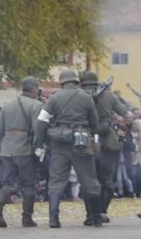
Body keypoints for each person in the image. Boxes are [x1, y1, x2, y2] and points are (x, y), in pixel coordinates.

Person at [35, 69, 102, 228]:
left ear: (62, 82)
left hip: (59, 143)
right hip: (81, 142)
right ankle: (96, 217)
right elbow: (95, 122)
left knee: (56, 181)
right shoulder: (86, 97)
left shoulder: (54, 98)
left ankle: (53, 219)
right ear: (76, 82)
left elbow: (42, 120)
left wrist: (39, 143)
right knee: (89, 180)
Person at [0, 76, 44, 228]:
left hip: (6, 150)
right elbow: (38, 130)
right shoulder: (36, 105)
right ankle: (27, 218)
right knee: (28, 185)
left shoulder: (8, 105)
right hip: (25, 149)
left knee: (8, 183)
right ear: (34, 88)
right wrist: (39, 148)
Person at [81, 72, 128, 223]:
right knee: (107, 180)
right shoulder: (109, 95)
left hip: (85, 140)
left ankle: (90, 215)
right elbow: (125, 113)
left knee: (88, 180)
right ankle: (101, 211)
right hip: (107, 140)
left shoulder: (78, 95)